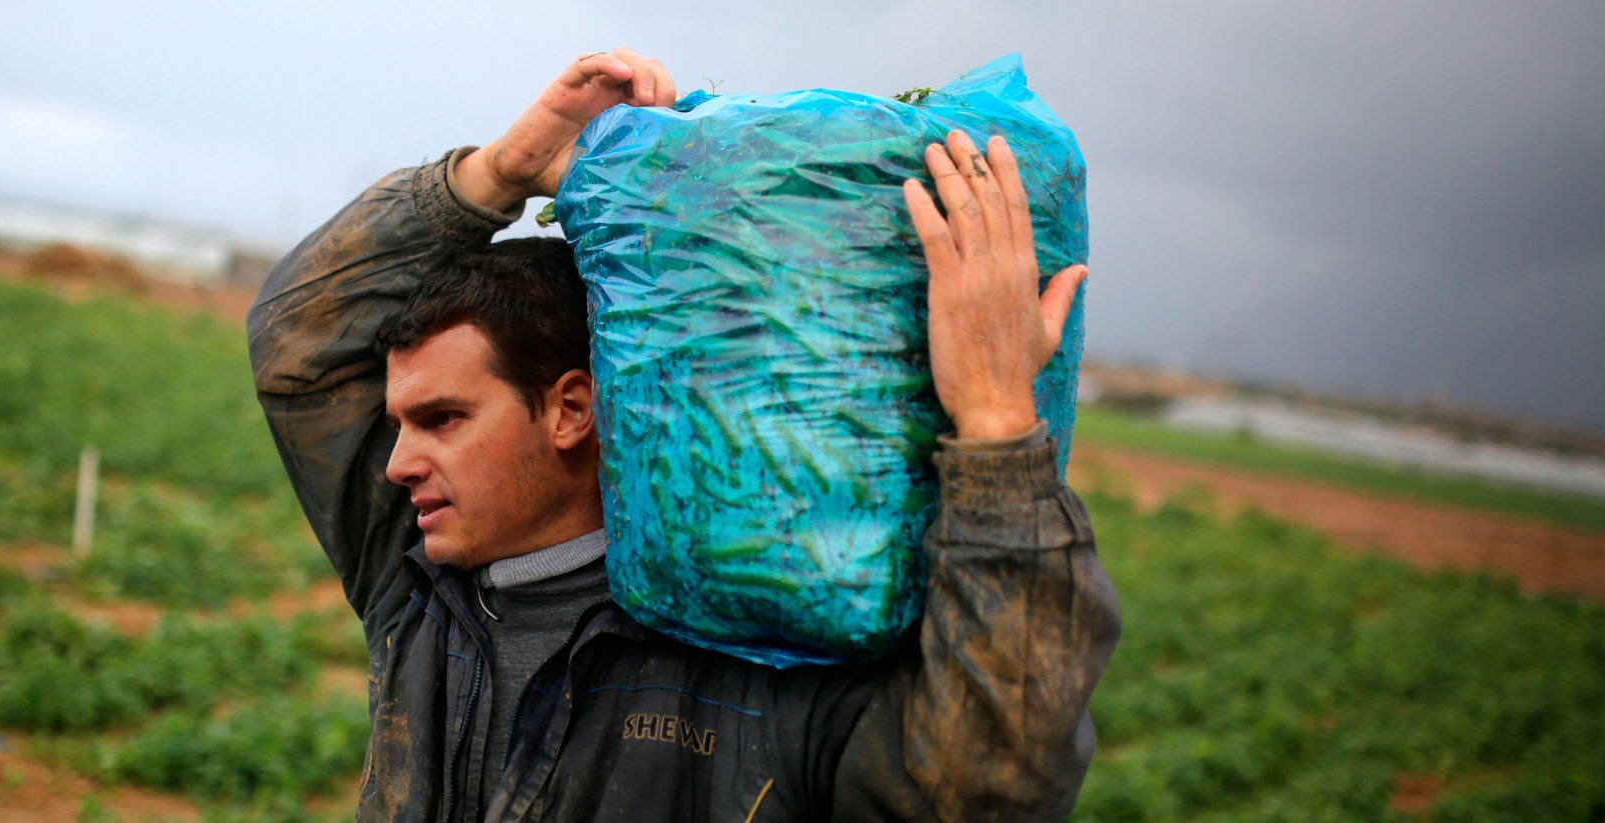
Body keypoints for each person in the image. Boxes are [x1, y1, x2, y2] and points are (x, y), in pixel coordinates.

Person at [247, 47, 1119, 822]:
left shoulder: (766, 643)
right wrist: (498, 173)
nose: (396, 464)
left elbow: (992, 791)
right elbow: (298, 348)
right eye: (398, 422)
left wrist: (999, 421)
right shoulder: (417, 588)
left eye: (442, 419)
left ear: (571, 409)